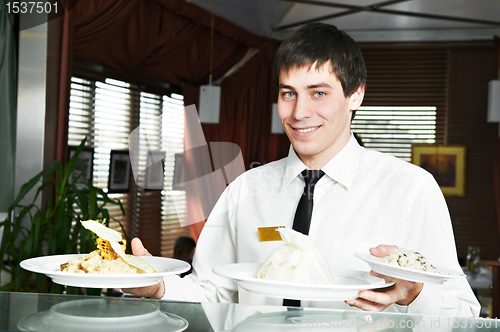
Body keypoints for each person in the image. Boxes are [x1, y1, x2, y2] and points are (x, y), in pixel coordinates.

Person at [125, 22, 479, 317]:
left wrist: (415, 294)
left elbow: (464, 313)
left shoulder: (411, 189)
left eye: (319, 93)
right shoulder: (245, 190)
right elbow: (215, 297)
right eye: (288, 93)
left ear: (355, 94)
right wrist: (159, 286)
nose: (299, 113)